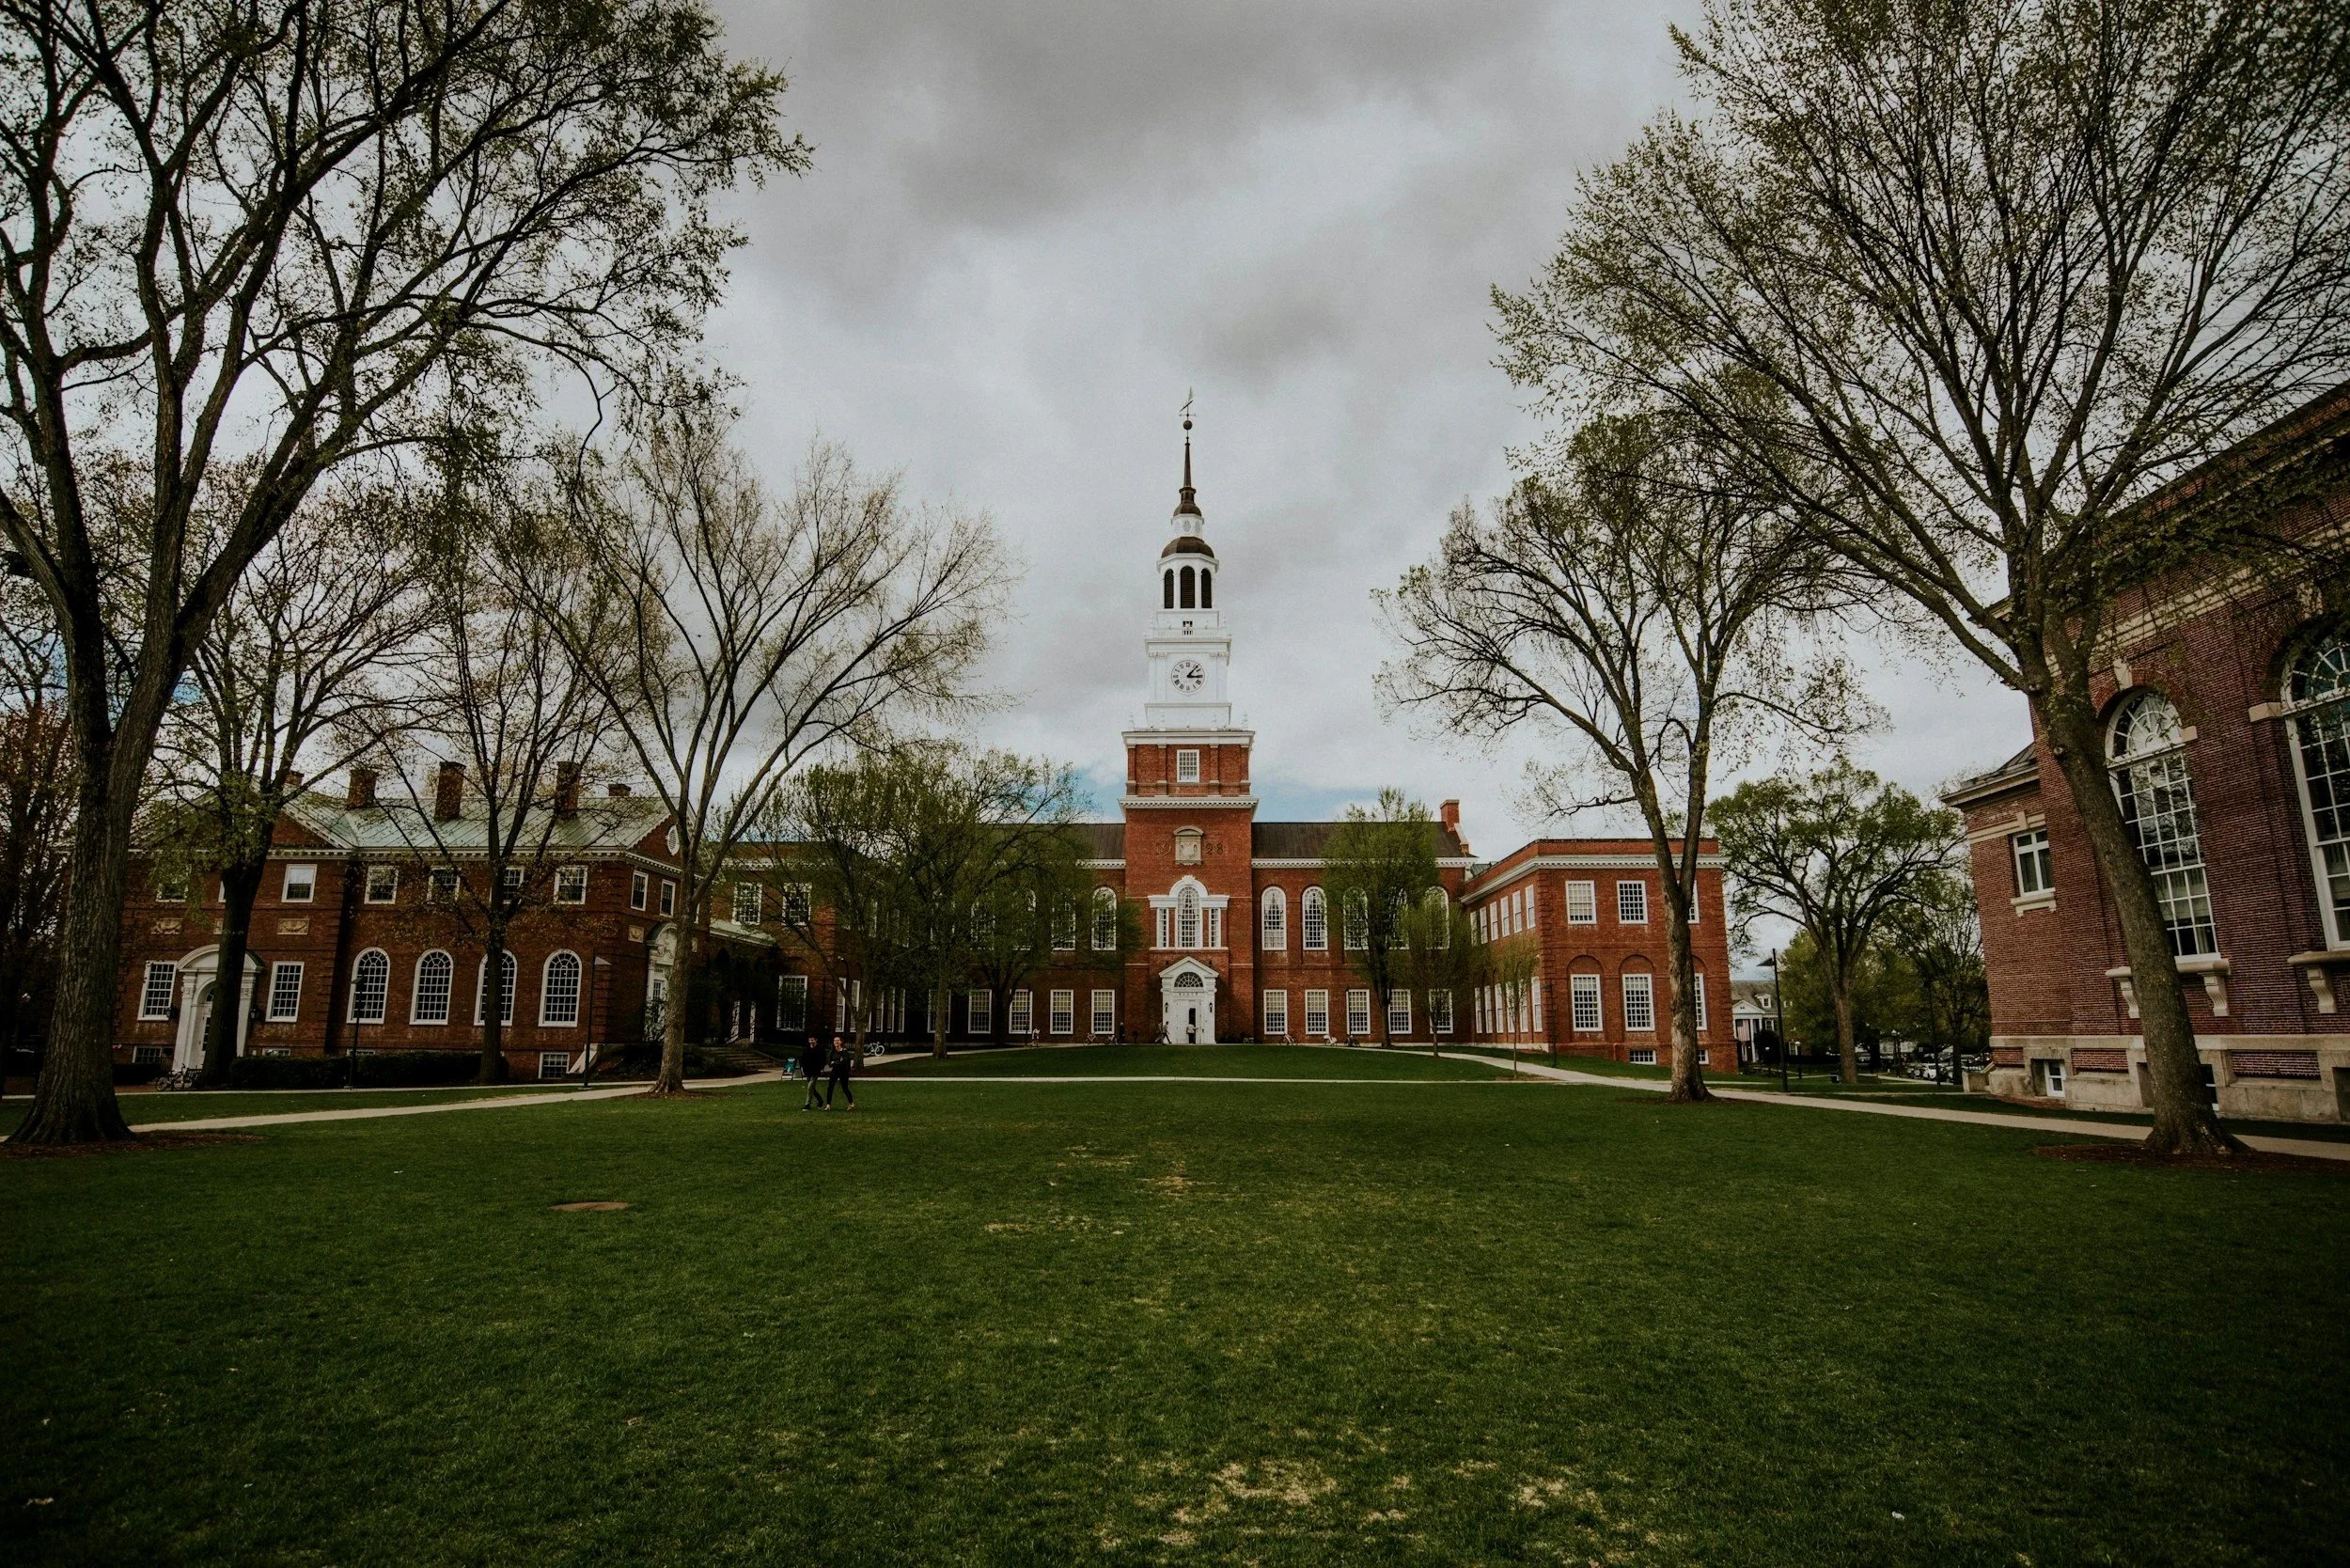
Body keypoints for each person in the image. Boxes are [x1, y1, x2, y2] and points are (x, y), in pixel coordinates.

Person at [825, 1031, 855, 1110]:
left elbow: (844, 1062)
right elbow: (829, 1063)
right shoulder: (832, 1052)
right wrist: (837, 1062)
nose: (836, 1042)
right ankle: (828, 1105)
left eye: (838, 1040)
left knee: (845, 1088)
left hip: (844, 1072)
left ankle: (851, 1103)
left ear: (841, 1042)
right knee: (830, 1087)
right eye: (835, 1041)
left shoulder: (845, 1052)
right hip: (835, 1071)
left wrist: (835, 1062)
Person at [801, 1033, 829, 1110]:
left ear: (816, 1040)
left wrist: (821, 1068)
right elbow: (803, 1059)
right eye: (809, 1040)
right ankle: (820, 1100)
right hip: (807, 1071)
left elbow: (823, 1060)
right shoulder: (806, 1049)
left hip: (816, 1071)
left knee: (810, 1087)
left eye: (812, 1040)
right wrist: (803, 1068)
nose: (811, 1041)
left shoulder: (820, 1049)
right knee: (812, 1088)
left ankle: (807, 1104)